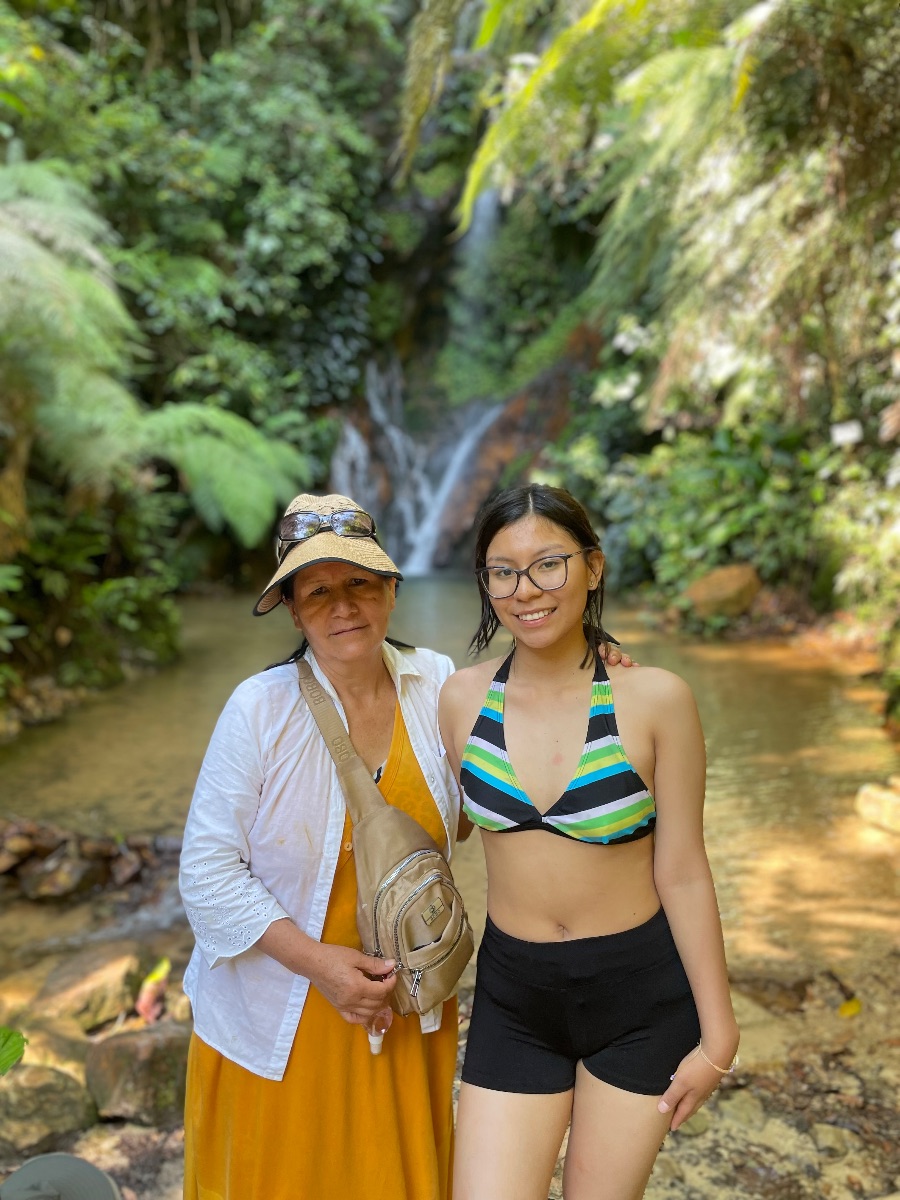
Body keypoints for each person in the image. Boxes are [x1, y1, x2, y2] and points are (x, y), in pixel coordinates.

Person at [439, 484, 739, 1200]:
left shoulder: (656, 699)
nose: (525, 589)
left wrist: (719, 1038)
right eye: (502, 571)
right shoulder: (457, 699)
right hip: (515, 996)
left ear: (593, 567)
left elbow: (685, 872)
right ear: (484, 583)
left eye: (549, 564)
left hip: (640, 996)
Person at [178, 493, 462, 1200]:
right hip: (289, 1010)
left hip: (403, 1005)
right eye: (320, 591)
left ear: (392, 590)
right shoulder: (259, 708)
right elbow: (206, 873)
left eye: (360, 583)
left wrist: (595, 665)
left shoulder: (440, 685)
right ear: (295, 611)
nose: (344, 607)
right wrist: (321, 967)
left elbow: (511, 785)